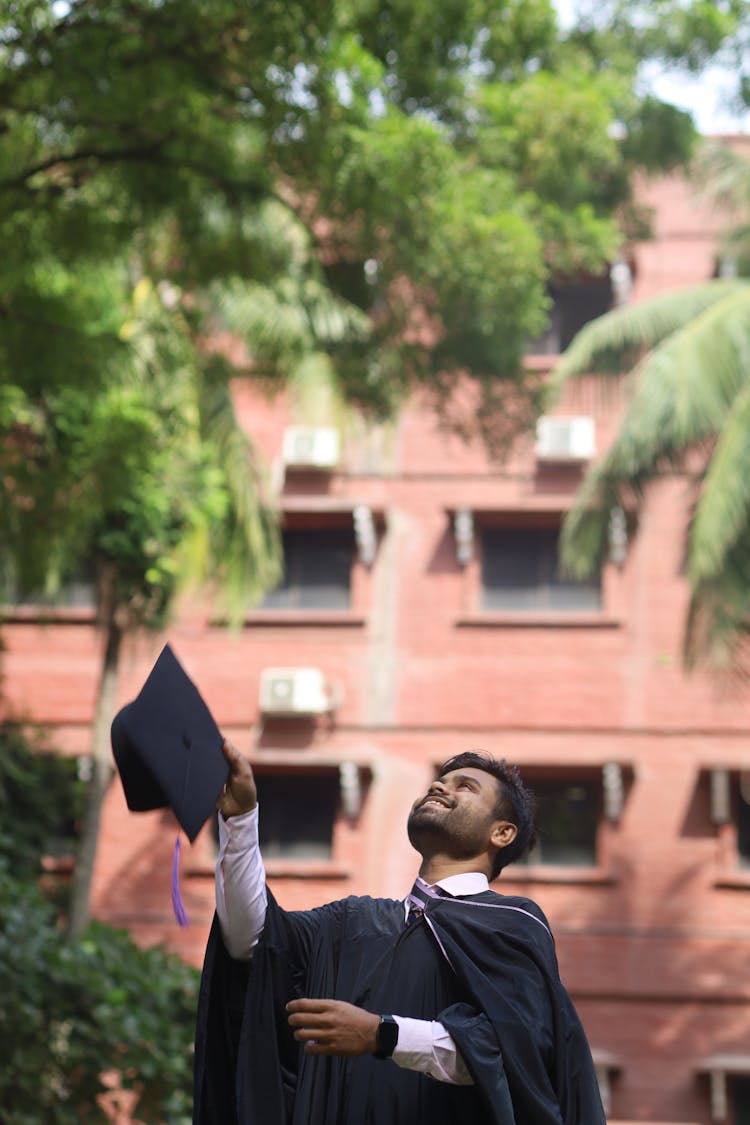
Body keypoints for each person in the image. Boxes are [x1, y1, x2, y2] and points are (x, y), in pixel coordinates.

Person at [193, 744, 606, 1125]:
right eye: (438, 782)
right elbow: (252, 941)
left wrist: (382, 1034)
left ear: (502, 833)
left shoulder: (513, 923)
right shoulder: (351, 923)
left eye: (465, 786)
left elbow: (515, 1054)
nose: (441, 787)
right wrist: (241, 820)